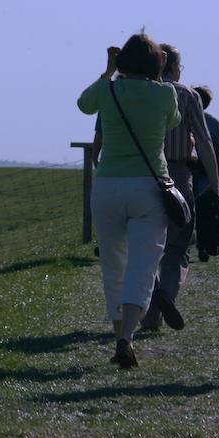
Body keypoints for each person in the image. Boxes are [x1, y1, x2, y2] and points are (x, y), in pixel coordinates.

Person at [77, 32, 179, 369]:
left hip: (107, 186)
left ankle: (119, 331)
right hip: (149, 187)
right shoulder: (165, 94)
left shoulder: (108, 89)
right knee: (143, 264)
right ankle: (127, 339)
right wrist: (160, 75)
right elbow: (173, 120)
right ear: (156, 63)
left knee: (113, 264)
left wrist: (109, 71)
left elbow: (83, 104)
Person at [140, 45, 219, 331]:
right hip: (178, 174)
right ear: (175, 67)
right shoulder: (187, 95)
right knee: (177, 247)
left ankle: (153, 300)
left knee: (145, 247)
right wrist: (214, 182)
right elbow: (203, 140)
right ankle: (164, 305)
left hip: (143, 174)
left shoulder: (140, 92)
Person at [191, 86, 219, 196]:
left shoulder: (180, 117)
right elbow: (218, 151)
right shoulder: (213, 124)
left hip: (184, 169)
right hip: (206, 173)